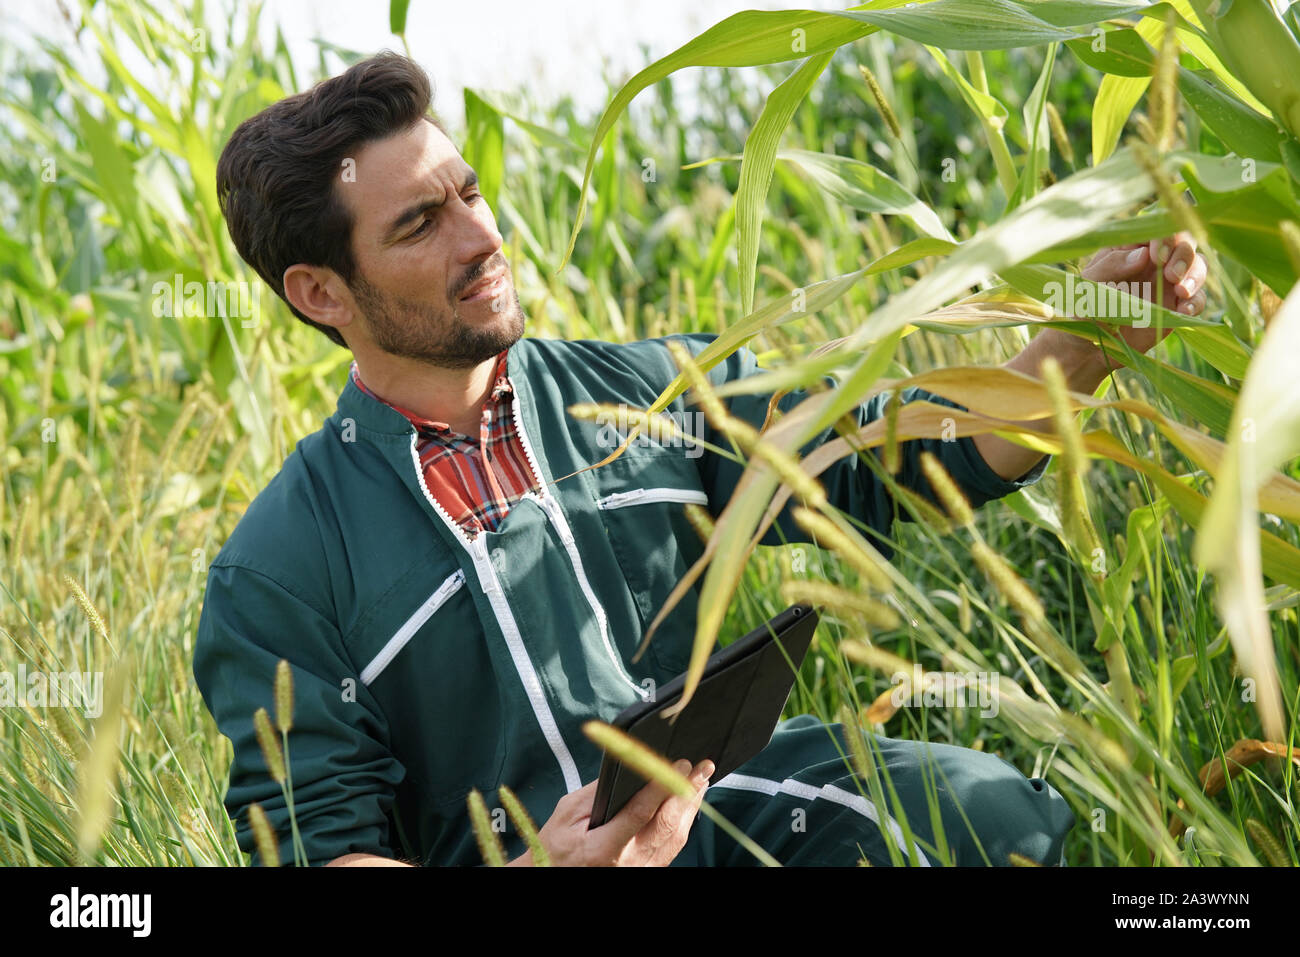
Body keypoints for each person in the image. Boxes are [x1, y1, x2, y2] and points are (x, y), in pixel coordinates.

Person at [193, 52, 1208, 867]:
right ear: (322, 294)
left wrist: (1072, 348)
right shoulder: (277, 567)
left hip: (734, 811)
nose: (481, 237)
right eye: (421, 222)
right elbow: (326, 844)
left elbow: (877, 457)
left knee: (990, 823)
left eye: (468, 192)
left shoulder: (648, 391)